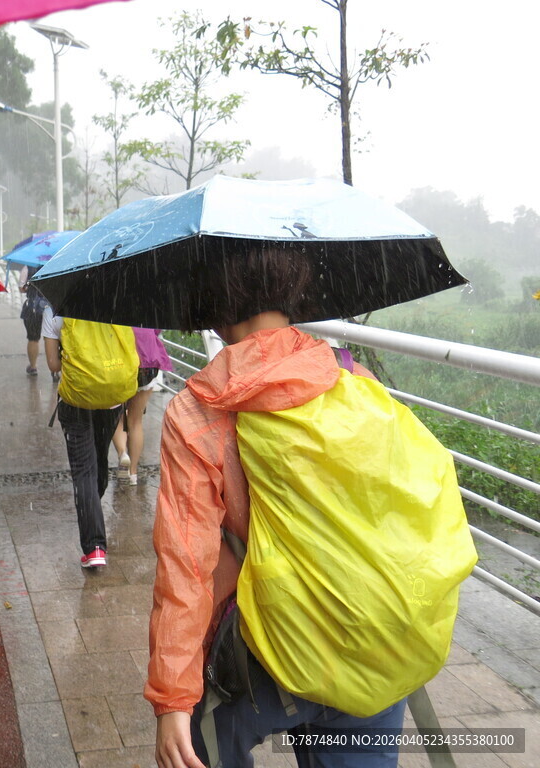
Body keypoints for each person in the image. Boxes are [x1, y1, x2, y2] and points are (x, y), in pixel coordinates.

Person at [146, 245, 407, 768]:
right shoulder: (353, 380)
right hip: (367, 635)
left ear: (216, 312)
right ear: (294, 293)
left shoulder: (197, 412)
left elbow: (188, 567)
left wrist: (173, 698)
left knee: (195, 748)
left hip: (262, 653)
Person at [42, 305, 127, 568]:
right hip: (112, 397)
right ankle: (93, 511)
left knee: (83, 470)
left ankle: (94, 548)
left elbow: (53, 364)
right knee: (100, 459)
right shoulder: (113, 300)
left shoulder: (54, 310)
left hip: (76, 398)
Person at [111, 327, 172, 485]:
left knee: (117, 416)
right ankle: (133, 473)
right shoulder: (147, 304)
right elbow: (157, 330)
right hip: (147, 362)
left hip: (122, 361)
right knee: (135, 421)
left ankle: (123, 453)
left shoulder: (114, 306)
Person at [19, 264, 50, 377]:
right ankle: (55, 370)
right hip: (51, 309)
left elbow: (21, 288)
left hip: (33, 309)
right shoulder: (55, 264)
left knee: (33, 338)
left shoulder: (27, 267)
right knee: (52, 339)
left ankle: (33, 367)